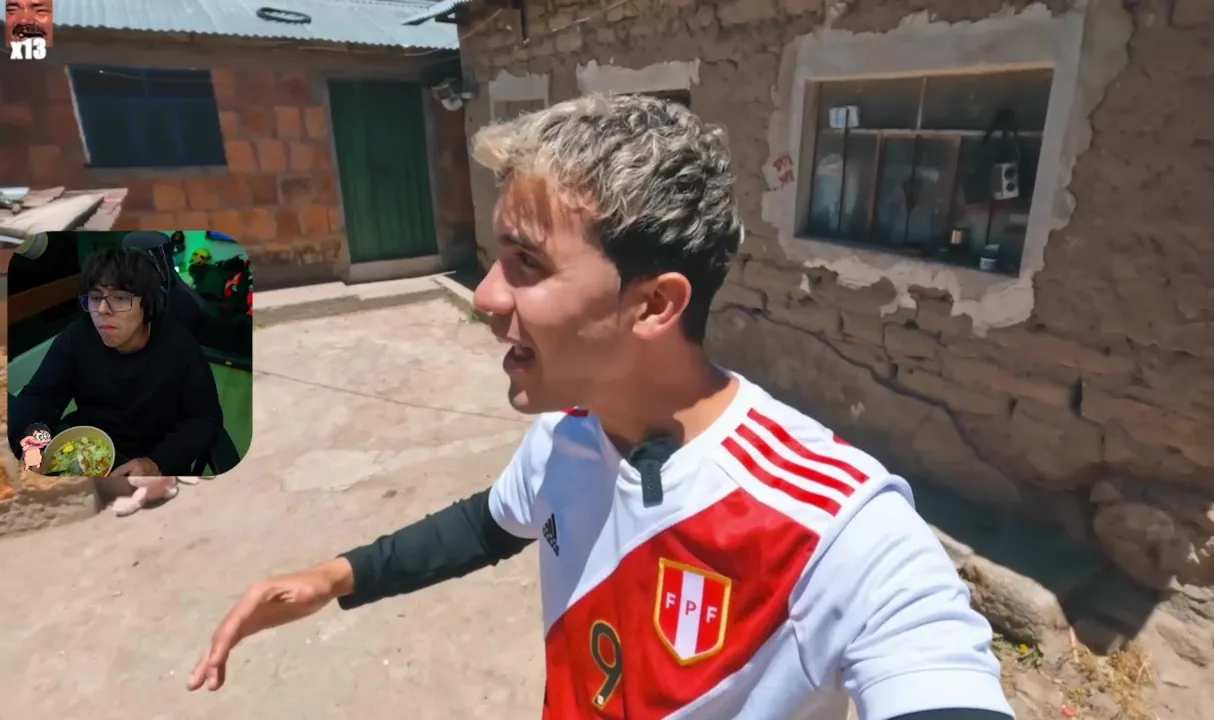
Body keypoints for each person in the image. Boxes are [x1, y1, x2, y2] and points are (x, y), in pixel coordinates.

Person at [188, 94, 1015, 720]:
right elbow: (490, 523)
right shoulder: (569, 432)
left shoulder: (837, 527)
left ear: (653, 304)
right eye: (495, 258)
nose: (485, 296)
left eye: (526, 264)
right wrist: (331, 579)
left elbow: (935, 672)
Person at [8, 247, 224, 490]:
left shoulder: (180, 347)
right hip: (85, 450)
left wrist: (156, 462)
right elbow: (41, 396)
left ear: (146, 303)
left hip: (148, 460)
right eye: (95, 297)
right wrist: (32, 447)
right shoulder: (78, 336)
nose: (102, 310)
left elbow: (204, 419)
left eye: (120, 298)